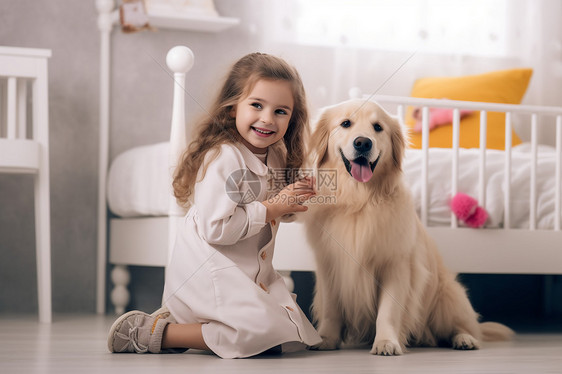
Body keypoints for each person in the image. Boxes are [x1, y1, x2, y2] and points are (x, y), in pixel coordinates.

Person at [107, 52, 322, 358]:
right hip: (207, 270)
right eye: (257, 105)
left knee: (290, 334)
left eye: (281, 111)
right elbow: (216, 229)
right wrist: (274, 207)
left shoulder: (275, 156)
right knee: (261, 331)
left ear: (293, 117)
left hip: (245, 274)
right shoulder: (224, 156)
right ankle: (158, 332)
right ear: (233, 105)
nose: (267, 119)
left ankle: (190, 325)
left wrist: (293, 200)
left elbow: (270, 210)